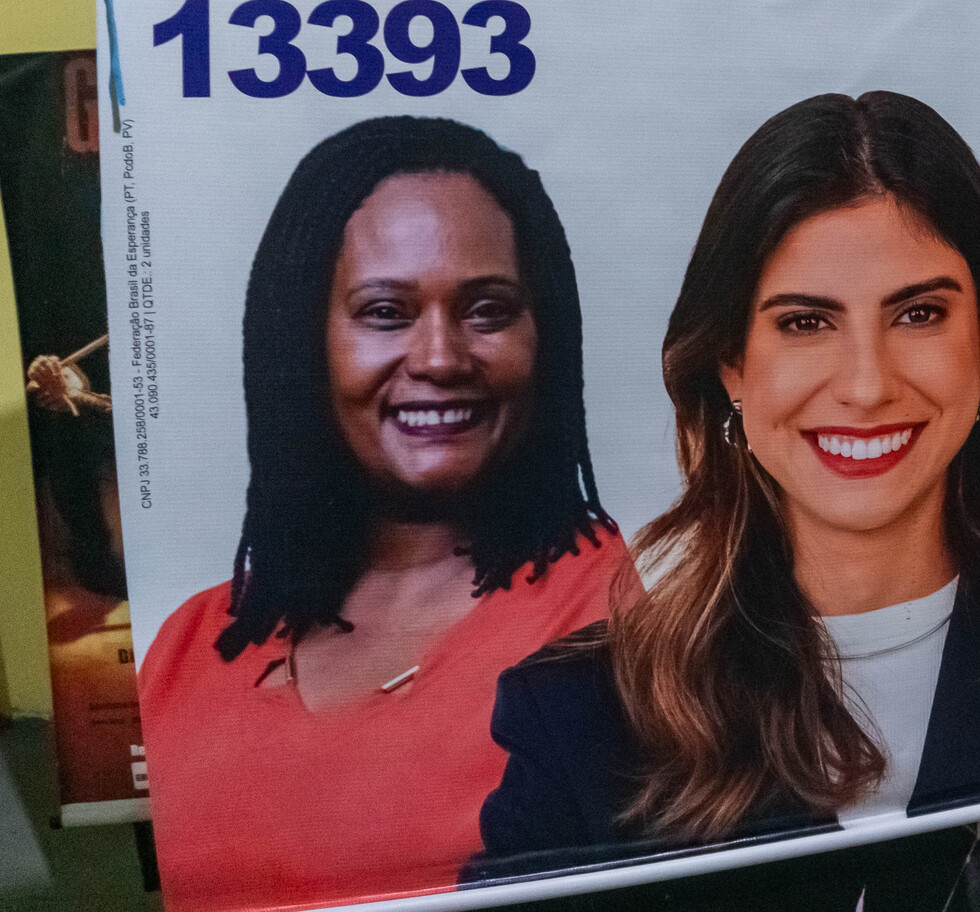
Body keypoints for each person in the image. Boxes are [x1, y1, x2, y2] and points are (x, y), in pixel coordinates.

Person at [473, 91, 980, 893]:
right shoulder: (580, 721)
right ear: (730, 363)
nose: (865, 385)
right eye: (805, 323)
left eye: (918, 313)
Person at [139, 117, 635, 912]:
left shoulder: (629, 622)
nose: (440, 357)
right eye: (383, 312)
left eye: (486, 309)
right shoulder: (185, 651)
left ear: (546, 337)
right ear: (304, 341)